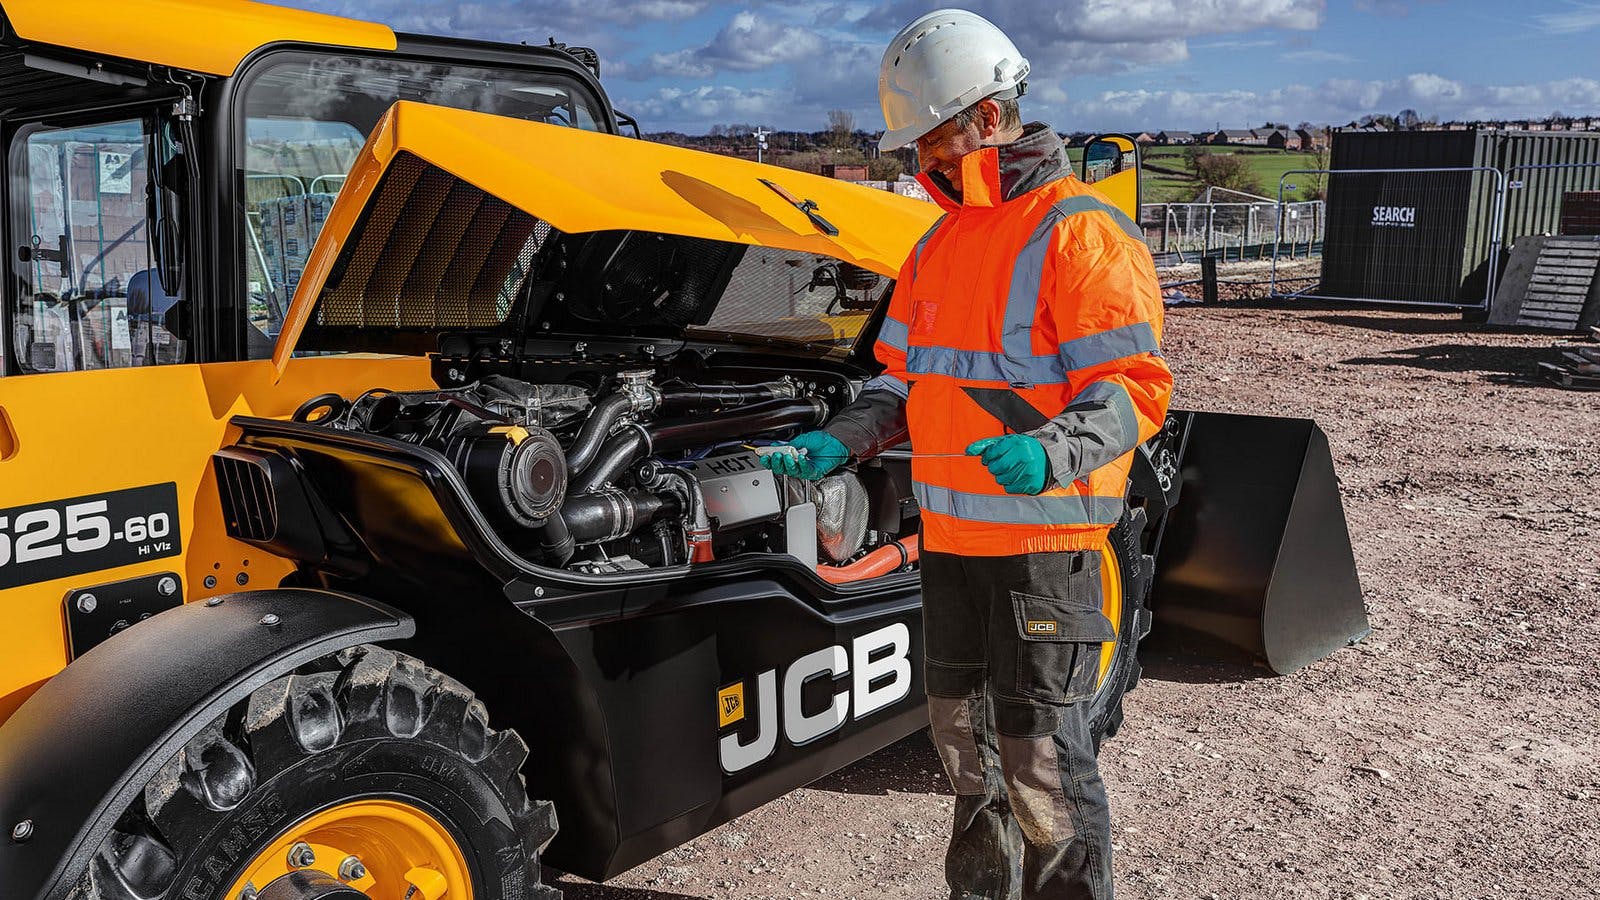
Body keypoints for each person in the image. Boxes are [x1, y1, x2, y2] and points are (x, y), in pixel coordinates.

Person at [757, 9, 1172, 899]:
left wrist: (1052, 451)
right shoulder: (937, 244)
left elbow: (1131, 390)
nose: (921, 164)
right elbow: (905, 384)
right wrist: (843, 438)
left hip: (1043, 554)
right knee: (963, 748)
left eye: (931, 141)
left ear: (989, 118)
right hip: (951, 548)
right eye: (913, 147)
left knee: (1040, 763)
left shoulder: (1084, 234)